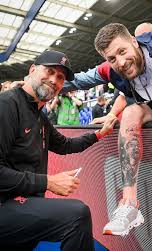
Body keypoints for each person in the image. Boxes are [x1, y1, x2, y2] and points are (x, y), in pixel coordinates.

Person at [63, 22, 152, 236]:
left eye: (122, 51)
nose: (120, 62)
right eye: (111, 58)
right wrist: (39, 83)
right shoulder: (113, 69)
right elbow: (79, 80)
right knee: (130, 112)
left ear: (135, 42)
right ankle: (129, 204)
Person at [0, 49, 117, 250]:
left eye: (61, 77)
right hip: (5, 204)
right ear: (32, 70)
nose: (54, 80)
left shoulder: (39, 114)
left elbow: (64, 145)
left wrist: (99, 134)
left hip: (23, 202)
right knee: (77, 215)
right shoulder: (7, 105)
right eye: (50, 71)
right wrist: (49, 182)